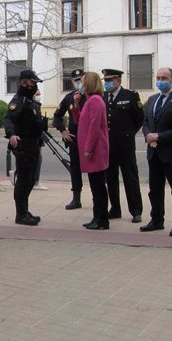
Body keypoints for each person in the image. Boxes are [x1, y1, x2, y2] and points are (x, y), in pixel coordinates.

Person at [140, 67, 172, 236]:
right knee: (155, 189)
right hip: (153, 153)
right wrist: (148, 136)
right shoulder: (152, 99)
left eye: (164, 77)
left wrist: (158, 136)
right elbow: (145, 122)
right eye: (158, 77)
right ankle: (156, 220)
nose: (160, 80)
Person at [4, 69, 47, 226]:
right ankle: (20, 214)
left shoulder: (31, 102)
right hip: (23, 147)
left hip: (34, 145)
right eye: (32, 82)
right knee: (23, 180)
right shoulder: (18, 101)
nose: (35, 85)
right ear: (23, 83)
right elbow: (9, 119)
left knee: (30, 180)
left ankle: (24, 210)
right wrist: (11, 135)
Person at [102, 68, 144, 223]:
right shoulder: (103, 96)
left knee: (130, 177)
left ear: (118, 81)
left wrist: (129, 132)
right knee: (111, 178)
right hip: (108, 144)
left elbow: (139, 118)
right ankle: (115, 208)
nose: (106, 83)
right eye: (105, 80)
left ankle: (136, 210)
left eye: (109, 80)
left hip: (125, 144)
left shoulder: (130, 96)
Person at [78, 72, 110, 230]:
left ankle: (102, 219)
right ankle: (97, 217)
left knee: (98, 186)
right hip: (92, 150)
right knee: (95, 185)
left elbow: (94, 127)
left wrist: (88, 148)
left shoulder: (95, 101)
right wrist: (77, 105)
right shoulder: (89, 101)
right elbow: (81, 121)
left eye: (83, 82)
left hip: (95, 150)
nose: (80, 85)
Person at [53, 68, 86, 209]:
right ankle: (76, 198)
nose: (78, 83)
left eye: (80, 80)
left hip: (89, 137)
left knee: (95, 170)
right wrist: (63, 131)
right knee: (75, 168)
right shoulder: (69, 97)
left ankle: (99, 198)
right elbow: (57, 116)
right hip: (74, 137)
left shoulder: (92, 96)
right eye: (76, 80)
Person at [32, 89, 48, 191]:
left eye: (40, 94)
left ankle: (35, 181)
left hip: (38, 137)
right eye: (37, 94)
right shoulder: (33, 106)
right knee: (37, 159)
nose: (39, 96)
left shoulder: (37, 105)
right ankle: (35, 182)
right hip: (34, 138)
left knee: (39, 158)